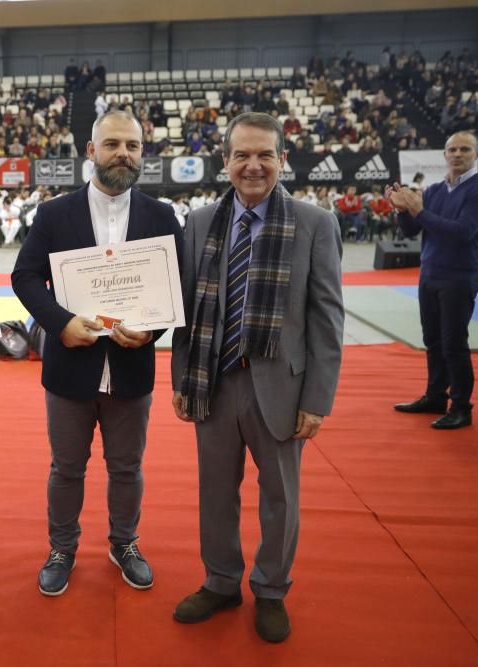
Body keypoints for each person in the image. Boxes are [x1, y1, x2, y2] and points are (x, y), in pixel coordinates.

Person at [171, 112, 344, 643]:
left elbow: (326, 317)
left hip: (281, 388)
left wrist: (317, 399)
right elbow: (185, 310)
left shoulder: (315, 223)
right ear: (224, 161)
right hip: (214, 382)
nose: (253, 166)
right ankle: (222, 581)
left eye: (264, 155)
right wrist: (181, 377)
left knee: (281, 498)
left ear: (282, 160)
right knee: (215, 493)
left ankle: (271, 588)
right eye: (242, 155)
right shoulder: (199, 222)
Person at [11, 110, 182, 597]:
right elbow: (25, 277)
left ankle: (124, 543)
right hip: (71, 370)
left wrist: (152, 330)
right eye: (111, 145)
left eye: (132, 145)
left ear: (143, 154)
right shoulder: (54, 213)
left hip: (132, 368)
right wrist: (60, 323)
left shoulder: (161, 216)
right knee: (67, 467)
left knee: (127, 467)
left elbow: (176, 287)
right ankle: (62, 548)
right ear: (91, 152)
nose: (122, 154)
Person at [390, 132, 478, 430]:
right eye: (452, 149)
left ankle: (462, 406)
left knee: (454, 343)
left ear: (477, 154)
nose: (457, 154)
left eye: (464, 149)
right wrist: (402, 209)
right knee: (433, 340)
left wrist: (419, 210)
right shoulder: (436, 190)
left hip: (459, 277)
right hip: (430, 274)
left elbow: (462, 232)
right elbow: (412, 230)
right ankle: (436, 396)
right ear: (445, 155)